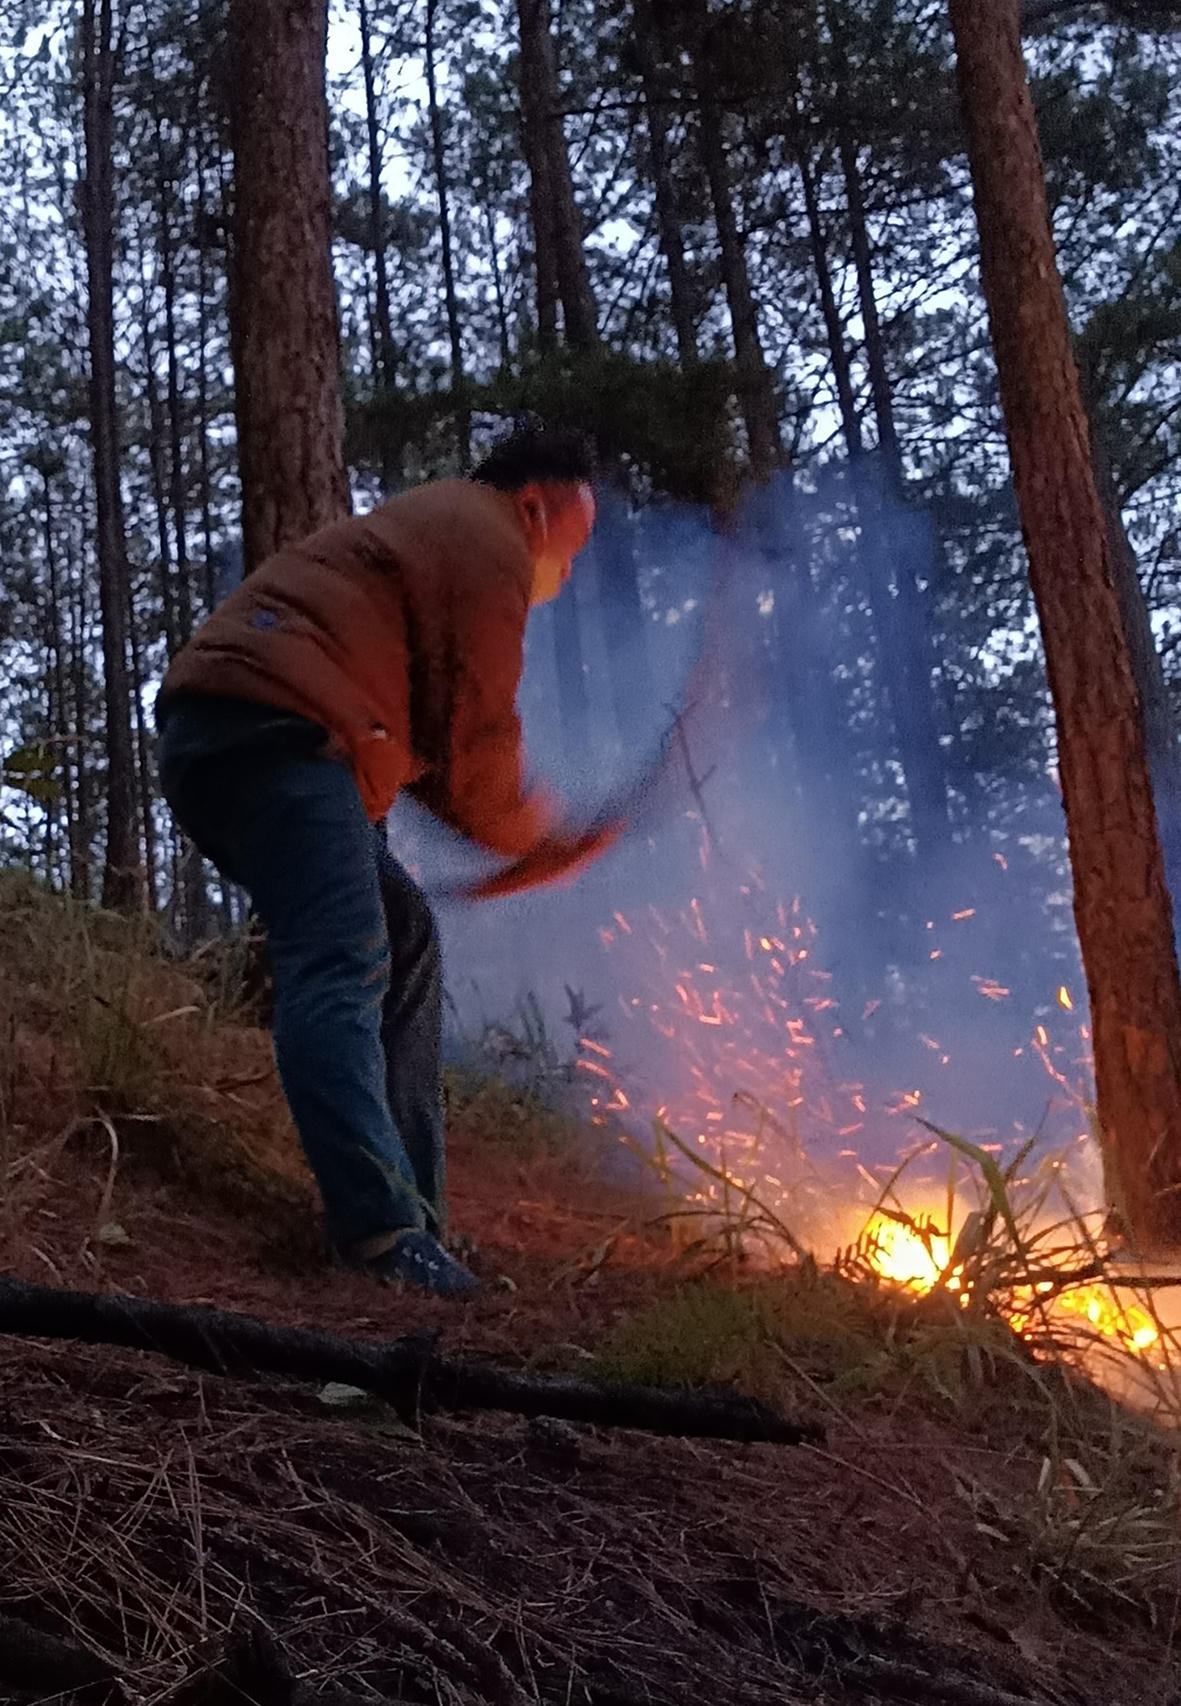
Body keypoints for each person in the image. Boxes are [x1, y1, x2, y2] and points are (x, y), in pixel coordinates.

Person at [155, 425, 602, 1297]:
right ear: (534, 506)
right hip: (273, 730)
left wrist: (524, 837)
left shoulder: (439, 527)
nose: (567, 575)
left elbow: (439, 748)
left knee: (403, 940)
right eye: (571, 550)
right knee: (347, 952)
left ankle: (413, 1224)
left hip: (261, 735)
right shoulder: (486, 536)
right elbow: (477, 735)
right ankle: (379, 1232)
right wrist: (538, 836)